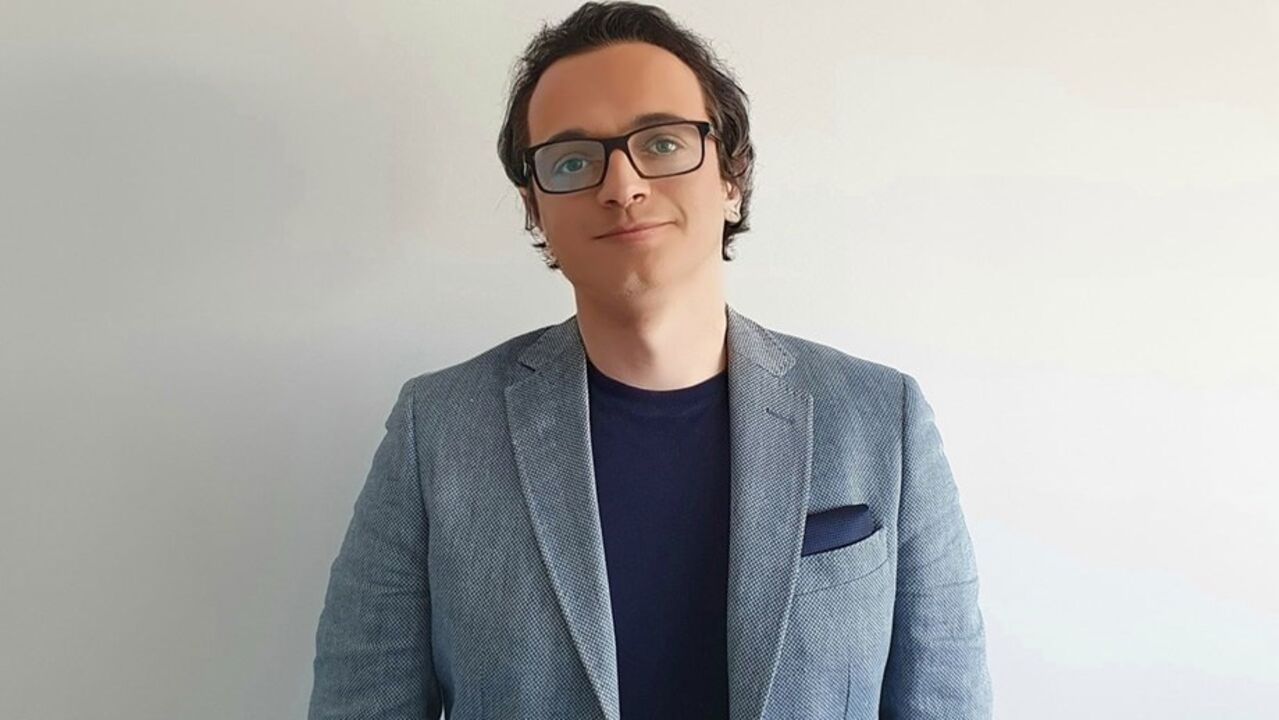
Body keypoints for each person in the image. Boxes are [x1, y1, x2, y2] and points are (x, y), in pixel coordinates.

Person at [307, 2, 992, 718]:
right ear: (535, 209)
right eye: (572, 161)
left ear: (731, 179)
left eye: (662, 143)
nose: (621, 185)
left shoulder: (883, 420)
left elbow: (946, 703)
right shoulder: (437, 430)